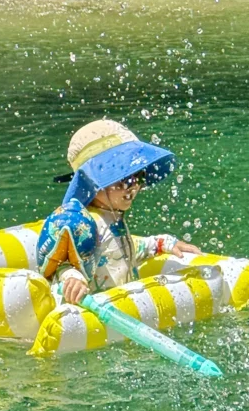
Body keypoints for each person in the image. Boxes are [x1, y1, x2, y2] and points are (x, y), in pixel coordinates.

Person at [36, 118, 201, 304]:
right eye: (126, 179)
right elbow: (63, 264)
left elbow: (122, 251)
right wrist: (73, 278)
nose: (134, 186)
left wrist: (163, 243)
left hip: (126, 304)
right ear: (93, 182)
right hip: (97, 310)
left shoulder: (113, 216)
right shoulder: (84, 224)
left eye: (139, 176)